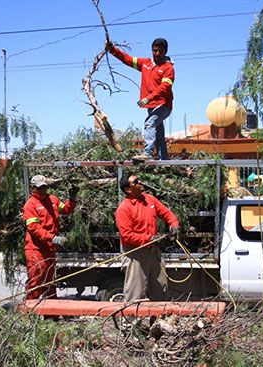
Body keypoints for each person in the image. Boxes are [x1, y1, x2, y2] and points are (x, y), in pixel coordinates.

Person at [115, 173, 181, 302]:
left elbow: (166, 213)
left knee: (160, 289)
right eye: (136, 182)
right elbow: (127, 236)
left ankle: (159, 320)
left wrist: (174, 224)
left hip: (153, 252)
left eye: (139, 179)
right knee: (135, 294)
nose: (140, 182)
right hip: (135, 254)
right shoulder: (124, 209)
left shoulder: (149, 199)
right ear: (128, 190)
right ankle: (131, 321)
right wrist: (150, 238)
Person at [106, 38, 174, 160]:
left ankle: (147, 153)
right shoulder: (145, 63)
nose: (157, 54)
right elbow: (128, 59)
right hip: (152, 105)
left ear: (165, 52)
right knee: (158, 134)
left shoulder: (168, 68)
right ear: (152, 50)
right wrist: (112, 50)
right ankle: (165, 161)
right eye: (155, 51)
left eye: (160, 51)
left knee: (150, 123)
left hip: (164, 105)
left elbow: (165, 87)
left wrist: (148, 98)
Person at [22, 175, 78, 300]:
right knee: (36, 282)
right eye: (39, 188)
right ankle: (28, 315)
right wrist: (54, 238)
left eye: (44, 187)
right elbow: (34, 228)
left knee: (50, 282)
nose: (42, 190)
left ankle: (51, 316)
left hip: (49, 249)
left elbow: (65, 210)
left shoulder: (52, 199)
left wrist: (72, 198)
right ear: (33, 188)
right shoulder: (30, 205)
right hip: (36, 250)